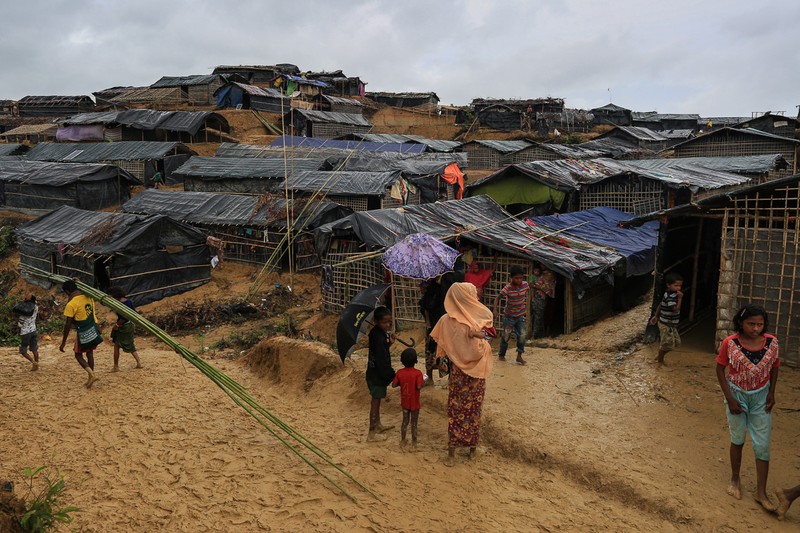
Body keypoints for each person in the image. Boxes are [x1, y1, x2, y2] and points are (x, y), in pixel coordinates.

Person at [715, 304, 780, 512]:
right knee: (738, 438)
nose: (755, 328)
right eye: (751, 324)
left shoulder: (772, 343)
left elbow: (775, 367)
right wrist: (730, 399)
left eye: (760, 324)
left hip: (762, 397)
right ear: (741, 323)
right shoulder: (730, 343)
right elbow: (720, 369)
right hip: (736, 395)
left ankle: (762, 492)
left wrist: (771, 393)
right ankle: (735, 479)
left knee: (762, 444)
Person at [431, 283, 494, 466]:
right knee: (473, 410)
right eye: (473, 294)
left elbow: (441, 344)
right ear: (467, 297)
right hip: (475, 374)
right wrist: (486, 345)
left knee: (456, 409)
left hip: (457, 372)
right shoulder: (472, 322)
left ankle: (451, 453)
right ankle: (472, 450)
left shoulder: (444, 320)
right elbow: (475, 352)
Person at [59, 279, 103, 388]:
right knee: (90, 354)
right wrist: (97, 326)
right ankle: (90, 378)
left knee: (78, 355)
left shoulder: (71, 304)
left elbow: (68, 325)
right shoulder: (89, 297)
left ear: (67, 291)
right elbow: (92, 314)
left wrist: (63, 342)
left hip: (83, 332)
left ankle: (92, 375)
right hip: (93, 329)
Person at [366, 306, 396, 441]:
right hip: (377, 374)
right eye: (384, 322)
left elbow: (382, 351)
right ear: (376, 321)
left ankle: (377, 424)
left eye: (389, 322)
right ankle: (371, 432)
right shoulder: (377, 337)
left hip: (374, 372)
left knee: (377, 400)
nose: (387, 325)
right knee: (375, 401)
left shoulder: (377, 334)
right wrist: (390, 375)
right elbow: (381, 358)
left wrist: (389, 343)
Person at [493, 266, 529, 365]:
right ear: (511, 278)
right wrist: (495, 310)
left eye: (521, 278)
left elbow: (530, 288)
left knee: (522, 336)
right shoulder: (507, 288)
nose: (519, 280)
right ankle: (501, 355)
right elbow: (497, 298)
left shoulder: (525, 285)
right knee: (506, 336)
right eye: (516, 278)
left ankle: (519, 356)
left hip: (520, 316)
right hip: (509, 317)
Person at [391, 348, 424, 449]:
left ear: (402, 361)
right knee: (414, 423)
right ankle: (414, 443)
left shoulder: (400, 372)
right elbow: (419, 386)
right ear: (416, 361)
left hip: (405, 402)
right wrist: (425, 379)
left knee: (405, 421)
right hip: (414, 403)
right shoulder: (418, 373)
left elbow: (393, 385)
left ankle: (403, 440)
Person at [649, 272, 684, 364]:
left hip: (671, 324)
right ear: (668, 285)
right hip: (665, 324)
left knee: (676, 343)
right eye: (676, 285)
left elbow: (660, 304)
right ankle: (660, 361)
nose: (678, 288)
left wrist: (656, 316)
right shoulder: (670, 297)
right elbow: (675, 310)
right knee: (667, 344)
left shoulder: (670, 293)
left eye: (680, 286)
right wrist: (680, 299)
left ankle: (660, 355)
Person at [107, 286, 142, 371]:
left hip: (123, 326)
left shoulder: (120, 304)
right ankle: (138, 362)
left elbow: (124, 317)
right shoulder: (129, 301)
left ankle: (116, 366)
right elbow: (133, 312)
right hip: (130, 325)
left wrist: (117, 325)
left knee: (116, 346)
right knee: (129, 343)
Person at [419, 279, 445, 384]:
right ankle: (430, 377)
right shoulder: (429, 295)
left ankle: (432, 377)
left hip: (439, 324)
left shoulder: (438, 290)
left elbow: (429, 307)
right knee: (431, 351)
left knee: (442, 351)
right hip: (433, 326)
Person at [15, 295, 39, 371]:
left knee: (23, 350)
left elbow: (20, 325)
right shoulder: (36, 308)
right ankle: (37, 363)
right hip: (33, 330)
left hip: (25, 332)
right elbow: (34, 302)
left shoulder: (23, 314)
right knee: (34, 348)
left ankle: (33, 362)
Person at [532, 266, 556, 339]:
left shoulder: (549, 275)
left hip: (542, 298)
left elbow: (545, 287)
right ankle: (537, 334)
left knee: (539, 316)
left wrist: (533, 286)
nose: (541, 265)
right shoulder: (540, 274)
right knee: (534, 315)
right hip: (536, 297)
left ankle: (535, 335)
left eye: (542, 264)